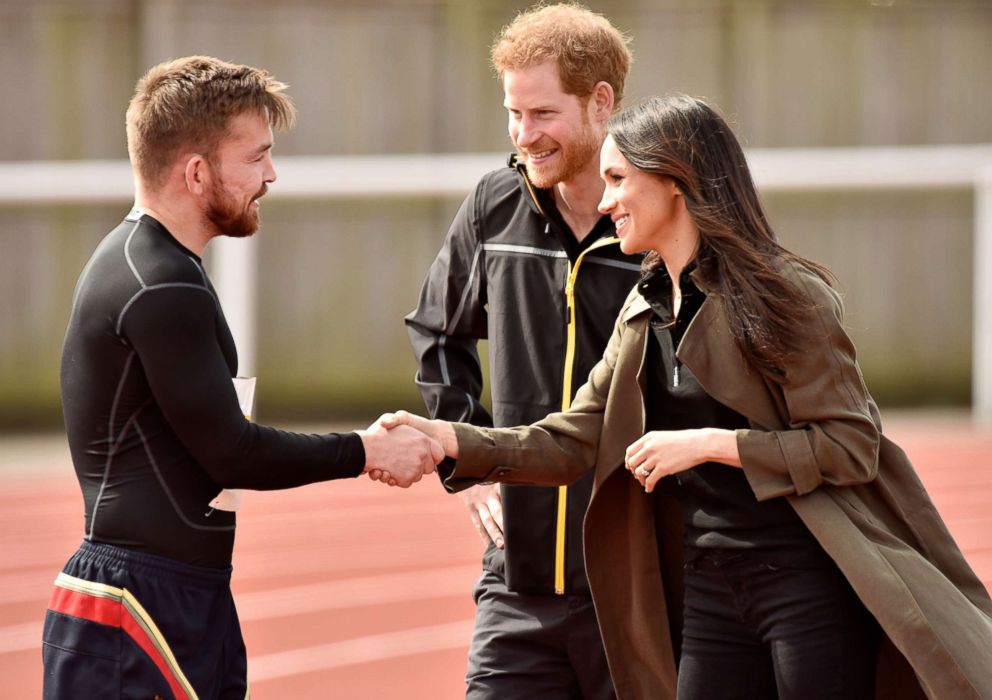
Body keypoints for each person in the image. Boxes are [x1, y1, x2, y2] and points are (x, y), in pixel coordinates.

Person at [386, 95, 992, 699]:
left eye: (619, 179)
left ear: (676, 181)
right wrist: (448, 439)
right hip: (707, 591)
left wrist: (714, 445)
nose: (604, 201)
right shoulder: (643, 309)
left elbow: (851, 445)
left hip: (806, 586)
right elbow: (572, 439)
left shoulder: (789, 297)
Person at [45, 56, 440, 699]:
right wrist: (371, 449)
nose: (271, 174)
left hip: (169, 593)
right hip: (141, 606)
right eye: (256, 157)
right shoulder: (160, 282)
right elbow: (232, 451)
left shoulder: (153, 264)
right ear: (197, 172)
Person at [402, 4, 638, 698]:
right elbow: (437, 331)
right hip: (517, 582)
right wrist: (467, 463)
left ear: (601, 103)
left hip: (634, 590)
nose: (522, 135)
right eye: (513, 113)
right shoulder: (495, 203)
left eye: (541, 114)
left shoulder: (656, 216)